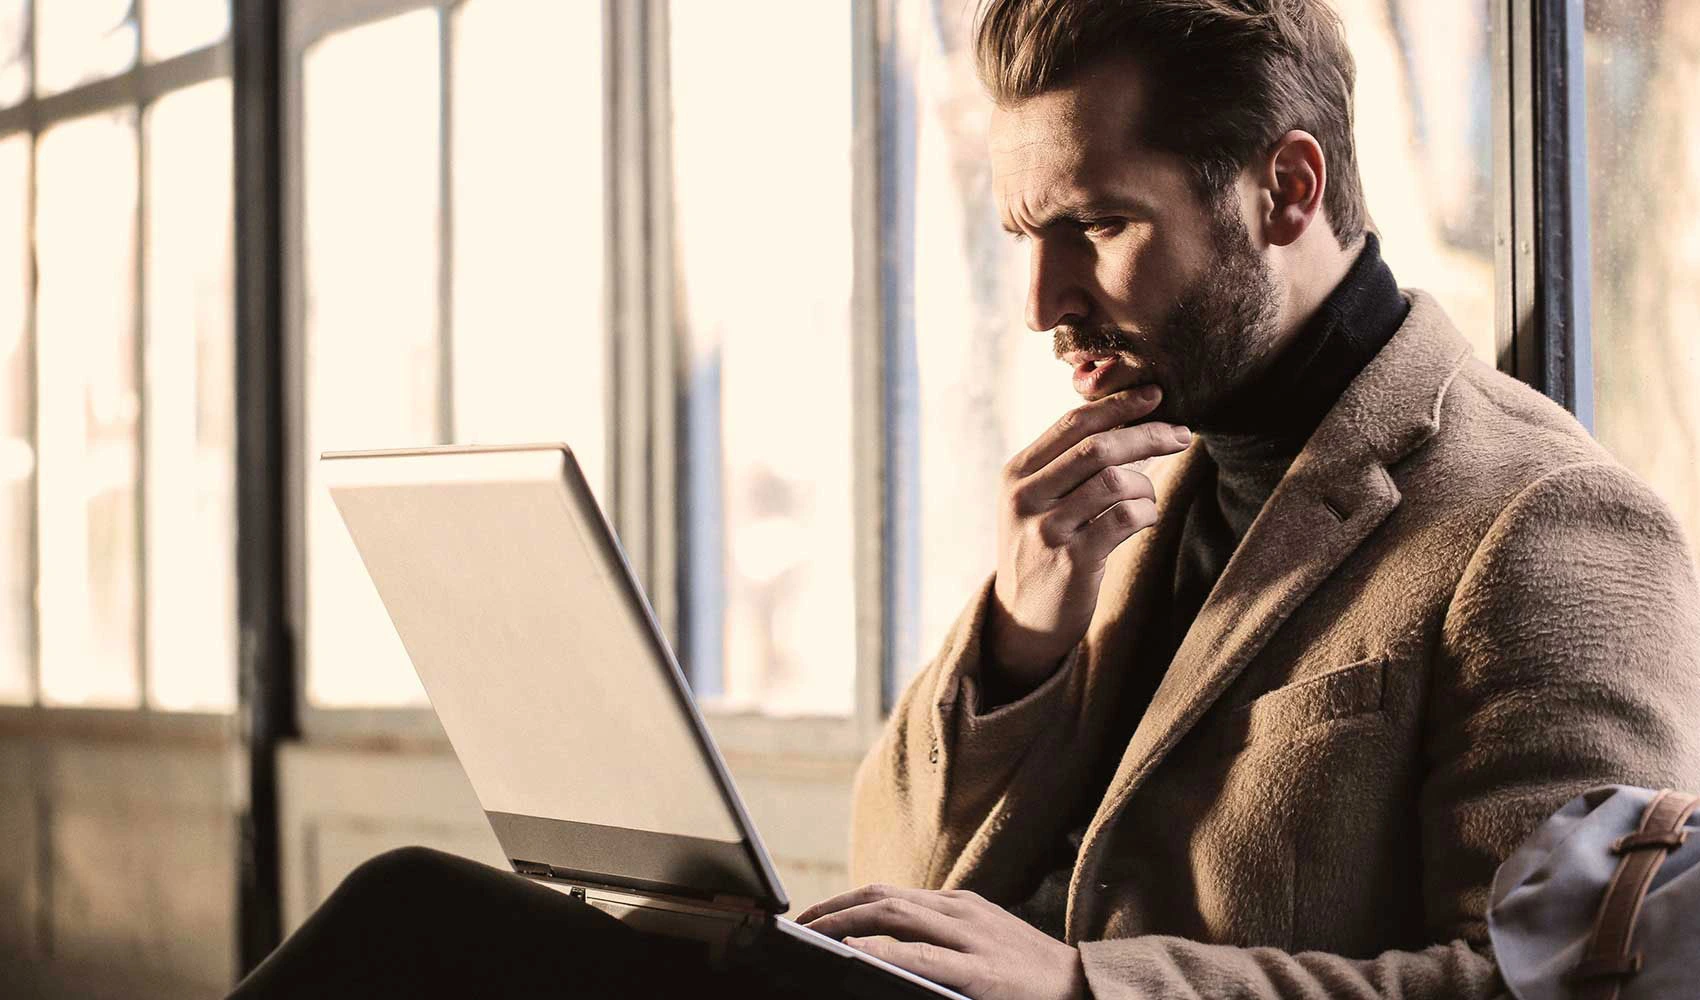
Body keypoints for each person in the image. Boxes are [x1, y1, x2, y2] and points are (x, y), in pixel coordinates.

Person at [230, 1, 1700, 998]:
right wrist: (1018, 640)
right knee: (426, 920)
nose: (1046, 302)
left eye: (1101, 227)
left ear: (1289, 188)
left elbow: (1560, 981)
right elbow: (898, 880)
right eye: (1025, 234)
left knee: (416, 927)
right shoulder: (1131, 477)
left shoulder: (1549, 520)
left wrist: (1080, 987)